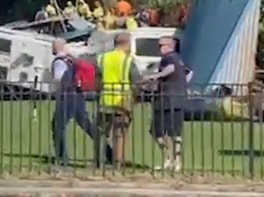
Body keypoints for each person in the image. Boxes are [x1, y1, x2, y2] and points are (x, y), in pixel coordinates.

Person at [143, 36, 192, 171]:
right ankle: (175, 161)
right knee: (174, 132)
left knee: (158, 131)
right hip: (178, 97)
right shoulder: (179, 58)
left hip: (166, 99)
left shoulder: (169, 57)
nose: (159, 48)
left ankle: (169, 158)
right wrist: (182, 85)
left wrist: (155, 76)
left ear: (169, 46)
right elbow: (189, 72)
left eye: (161, 45)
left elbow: (170, 69)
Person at [50, 39, 96, 166]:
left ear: (55, 47)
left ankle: (62, 157)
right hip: (78, 95)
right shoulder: (71, 60)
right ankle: (108, 152)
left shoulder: (59, 62)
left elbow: (59, 78)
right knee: (88, 126)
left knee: (58, 126)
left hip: (67, 97)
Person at [96, 32, 138, 168]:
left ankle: (99, 160)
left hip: (105, 100)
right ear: (126, 44)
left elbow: (97, 79)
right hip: (122, 102)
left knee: (102, 134)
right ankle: (118, 163)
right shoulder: (128, 60)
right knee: (120, 134)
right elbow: (136, 80)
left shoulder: (102, 58)